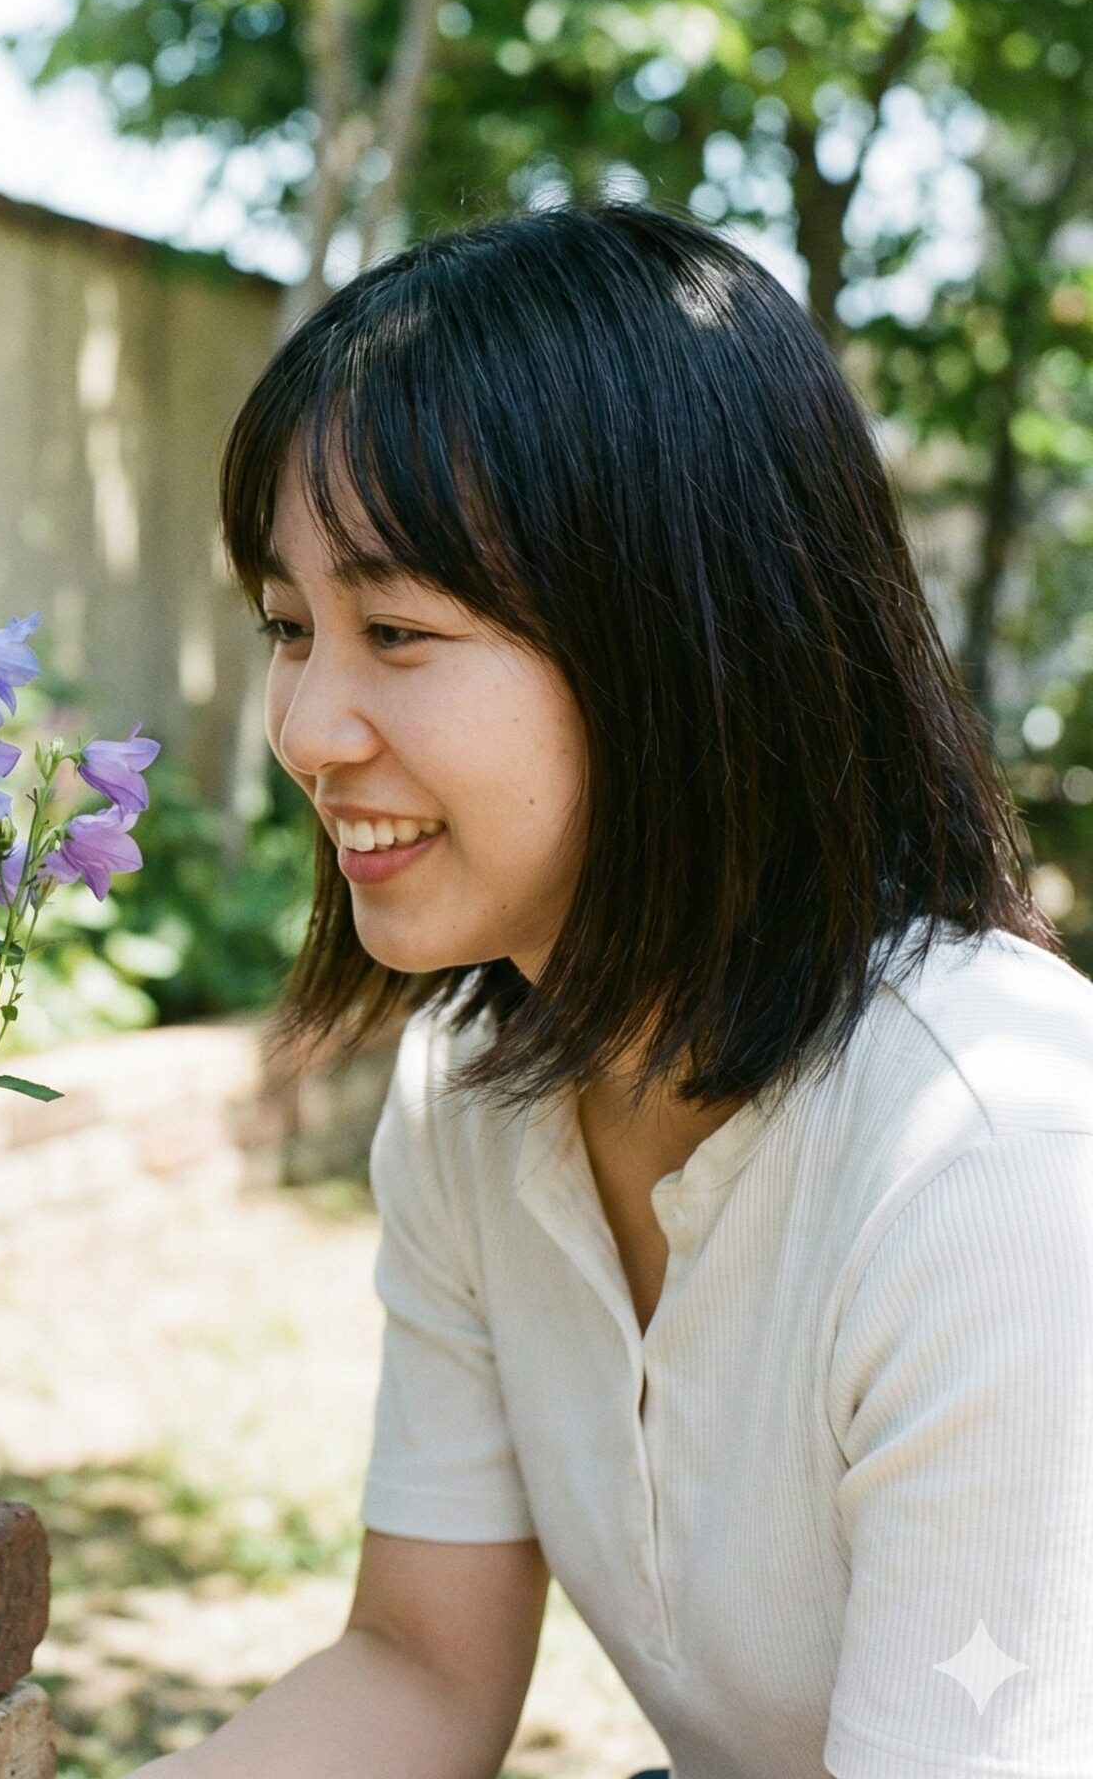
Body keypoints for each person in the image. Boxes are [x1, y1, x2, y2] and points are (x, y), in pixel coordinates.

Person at [135, 200, 1093, 1778]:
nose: (309, 727)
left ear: (675, 645)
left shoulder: (985, 1157)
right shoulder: (472, 1095)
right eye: (291, 629)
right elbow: (417, 1668)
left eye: (395, 629)